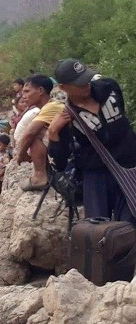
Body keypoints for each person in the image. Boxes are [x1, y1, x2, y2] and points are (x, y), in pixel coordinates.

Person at [48, 59, 136, 223]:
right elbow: (58, 164)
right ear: (63, 87)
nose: (86, 85)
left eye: (86, 79)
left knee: (130, 226)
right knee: (98, 230)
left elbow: (122, 118)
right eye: (79, 84)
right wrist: (53, 132)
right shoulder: (67, 117)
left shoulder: (110, 88)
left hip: (130, 165)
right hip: (97, 176)